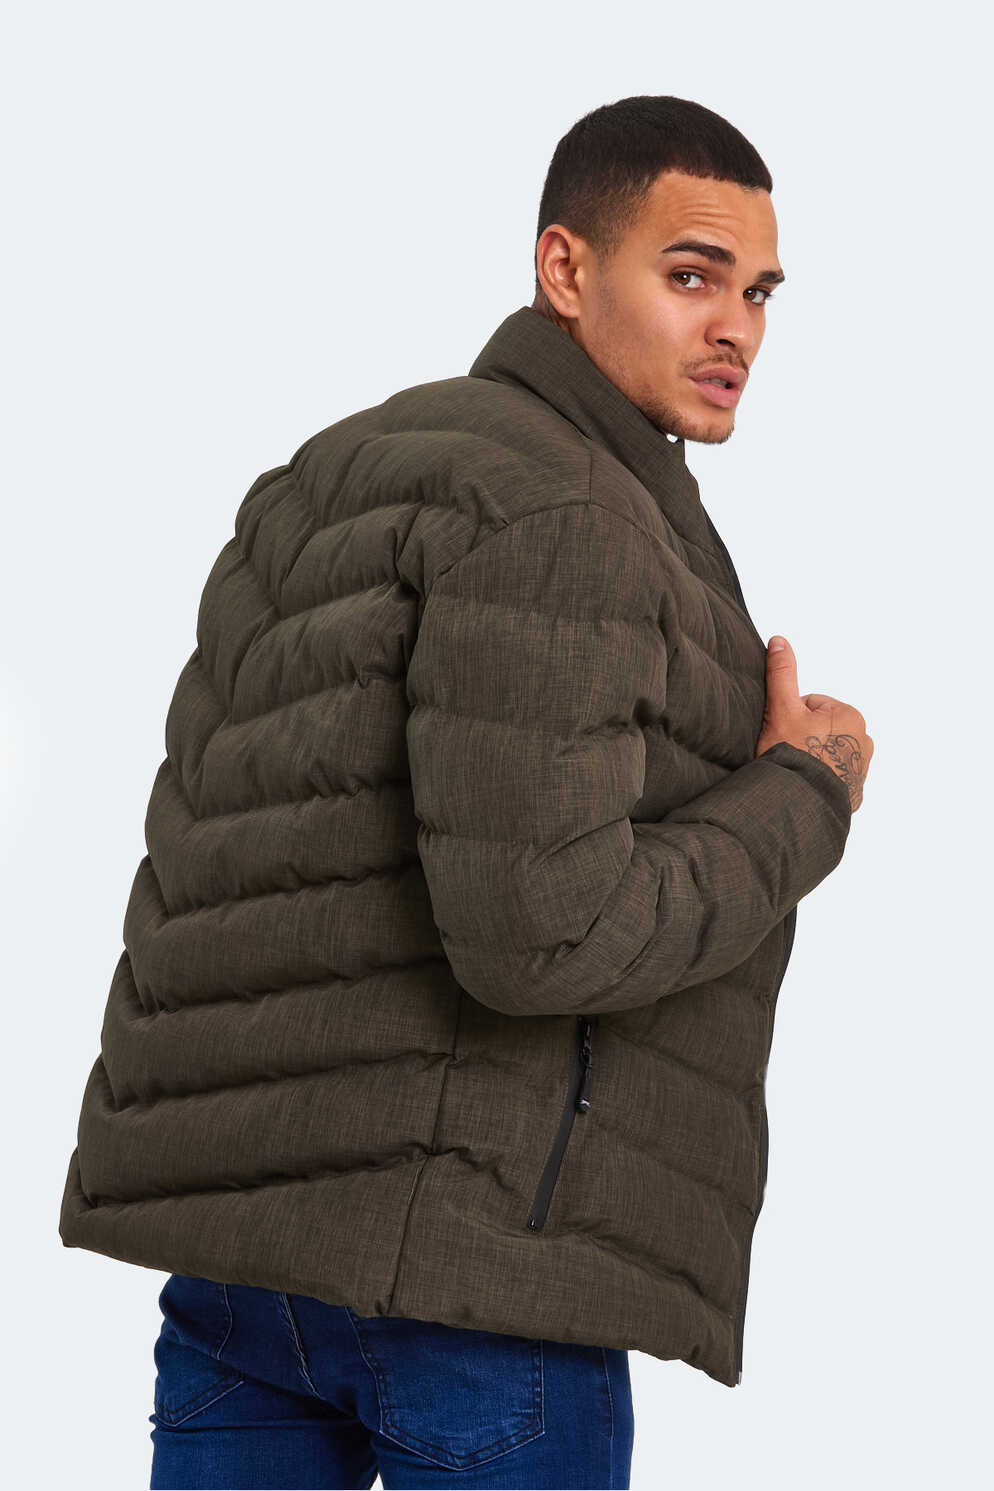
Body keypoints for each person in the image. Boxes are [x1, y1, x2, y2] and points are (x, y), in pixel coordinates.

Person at [58, 94, 873, 1491]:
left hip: (239, 1274)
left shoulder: (330, 472)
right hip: (470, 1300)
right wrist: (804, 796)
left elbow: (224, 850)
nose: (735, 328)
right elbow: (544, 933)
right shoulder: (568, 515)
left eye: (757, 292)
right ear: (565, 269)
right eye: (690, 276)